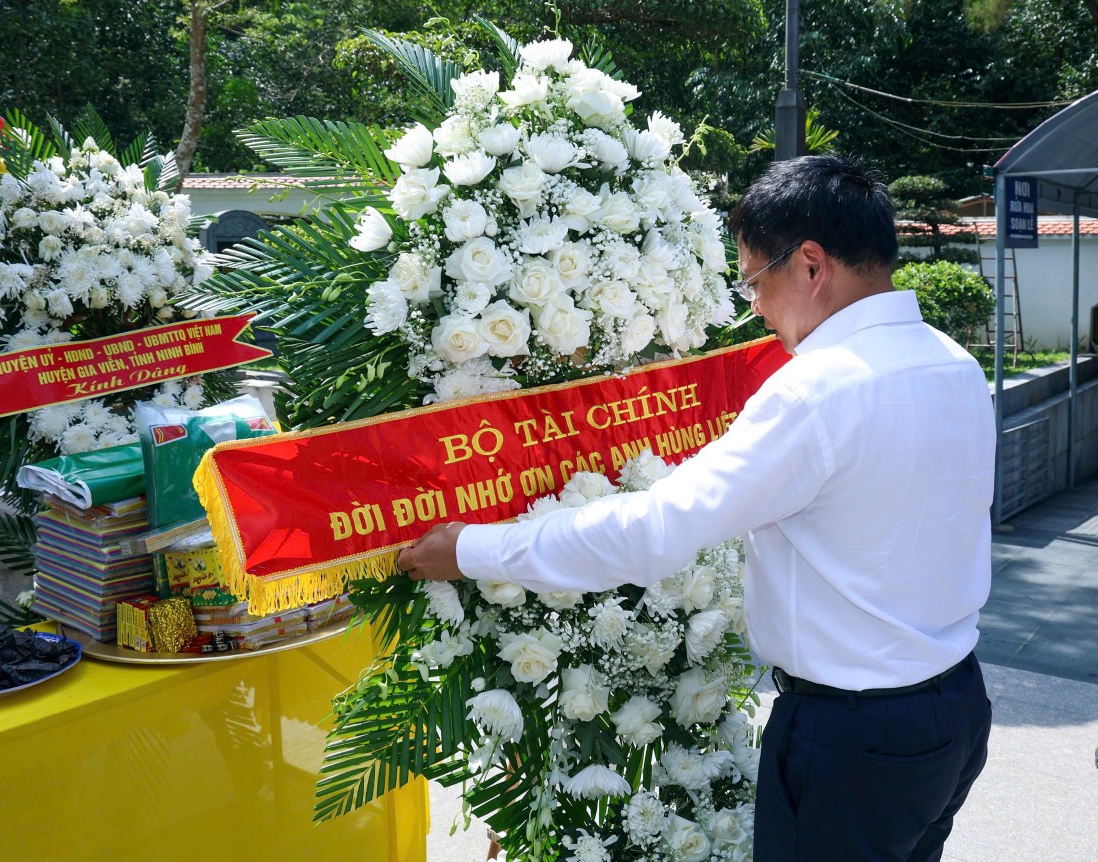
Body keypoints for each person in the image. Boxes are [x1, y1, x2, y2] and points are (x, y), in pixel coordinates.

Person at [397, 154, 995, 862]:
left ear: (809, 266)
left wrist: (471, 549)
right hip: (952, 712)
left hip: (852, 740)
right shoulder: (951, 361)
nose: (756, 308)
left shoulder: (816, 392)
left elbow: (655, 531)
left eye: (753, 283)